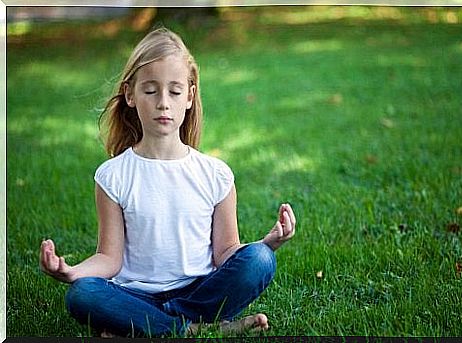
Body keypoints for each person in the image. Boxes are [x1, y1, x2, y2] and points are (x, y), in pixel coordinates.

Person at [39, 27, 296, 338]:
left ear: (189, 96)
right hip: (134, 294)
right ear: (130, 95)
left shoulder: (215, 175)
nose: (163, 102)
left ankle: (144, 326)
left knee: (260, 260)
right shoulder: (113, 175)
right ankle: (192, 329)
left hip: (200, 292)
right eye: (150, 91)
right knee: (82, 294)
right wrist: (72, 272)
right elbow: (109, 258)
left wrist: (268, 244)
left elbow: (226, 251)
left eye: (174, 91)